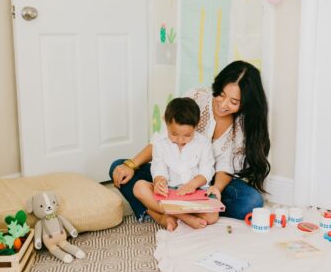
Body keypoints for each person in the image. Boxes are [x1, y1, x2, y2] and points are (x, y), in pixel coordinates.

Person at [110, 60, 270, 223]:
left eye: (233, 102)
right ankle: (166, 213)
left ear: (246, 103)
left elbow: (225, 166)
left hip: (207, 182)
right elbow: (162, 140)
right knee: (119, 169)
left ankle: (163, 207)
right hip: (172, 175)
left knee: (251, 202)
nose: (223, 104)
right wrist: (132, 165)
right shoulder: (197, 97)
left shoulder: (243, 125)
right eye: (221, 95)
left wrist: (216, 189)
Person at [133, 97, 223, 231]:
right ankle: (184, 217)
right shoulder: (159, 142)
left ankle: (167, 214)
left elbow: (207, 170)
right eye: (174, 134)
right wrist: (159, 182)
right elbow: (158, 167)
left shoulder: (203, 143)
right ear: (166, 122)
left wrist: (192, 185)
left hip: (195, 193)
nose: (180, 140)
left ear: (196, 125)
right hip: (169, 193)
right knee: (139, 188)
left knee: (212, 217)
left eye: (187, 135)